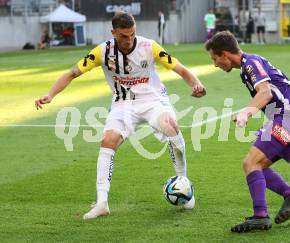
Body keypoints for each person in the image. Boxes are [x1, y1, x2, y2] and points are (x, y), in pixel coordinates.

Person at [35, 12, 206, 220]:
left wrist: (196, 84)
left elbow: (180, 69)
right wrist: (50, 95)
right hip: (123, 104)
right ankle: (101, 203)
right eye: (124, 36)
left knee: (171, 127)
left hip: (153, 101)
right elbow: (72, 73)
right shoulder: (102, 51)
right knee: (108, 141)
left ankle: (183, 184)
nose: (129, 40)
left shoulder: (149, 46)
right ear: (113, 33)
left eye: (132, 34)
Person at [205, 31, 290, 233]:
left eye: (215, 59)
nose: (215, 65)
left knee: (250, 163)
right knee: (257, 167)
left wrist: (246, 112)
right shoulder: (252, 61)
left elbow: (265, 92)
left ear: (225, 55)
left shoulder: (249, 65)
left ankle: (260, 216)